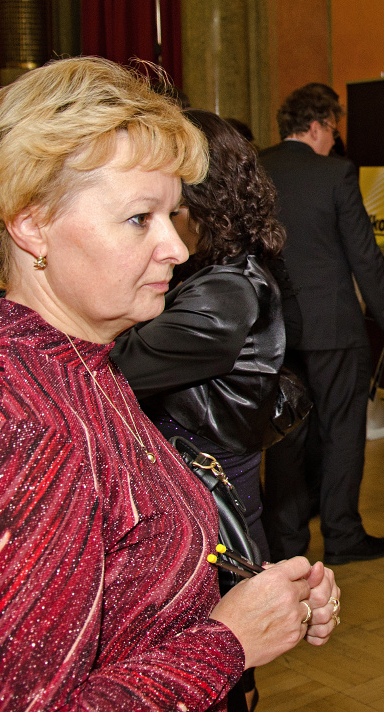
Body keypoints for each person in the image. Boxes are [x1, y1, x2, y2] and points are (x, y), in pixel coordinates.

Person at [0, 57, 340, 710]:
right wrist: (229, 641)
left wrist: (259, 600)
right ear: (31, 224)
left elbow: (130, 581)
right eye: (140, 218)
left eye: (173, 215)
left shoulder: (84, 368)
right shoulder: (20, 430)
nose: (177, 248)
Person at [112, 109, 285, 562]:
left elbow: (115, 370)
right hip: (205, 500)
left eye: (169, 210)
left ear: (207, 206)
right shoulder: (214, 273)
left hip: (213, 512)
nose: (161, 231)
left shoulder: (225, 293)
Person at [260, 82, 384, 565]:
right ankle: (342, 535)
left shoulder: (257, 167)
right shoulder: (336, 172)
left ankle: (286, 543)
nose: (334, 140)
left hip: (276, 328)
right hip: (335, 327)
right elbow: (363, 252)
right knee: (343, 430)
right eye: (333, 130)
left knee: (285, 435)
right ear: (318, 125)